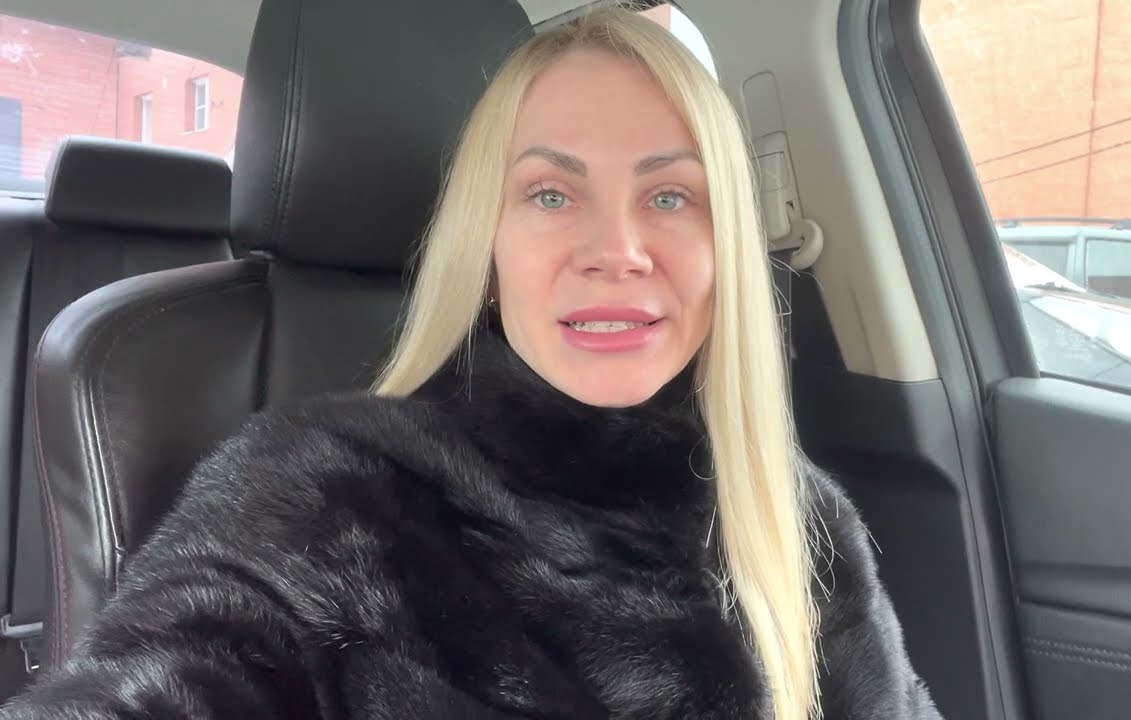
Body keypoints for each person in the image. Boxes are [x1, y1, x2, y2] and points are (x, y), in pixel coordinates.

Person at [0, 8, 939, 720]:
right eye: (550, 194)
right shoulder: (325, 498)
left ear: (725, 246)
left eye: (670, 196)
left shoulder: (797, 517)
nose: (617, 251)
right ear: (487, 251)